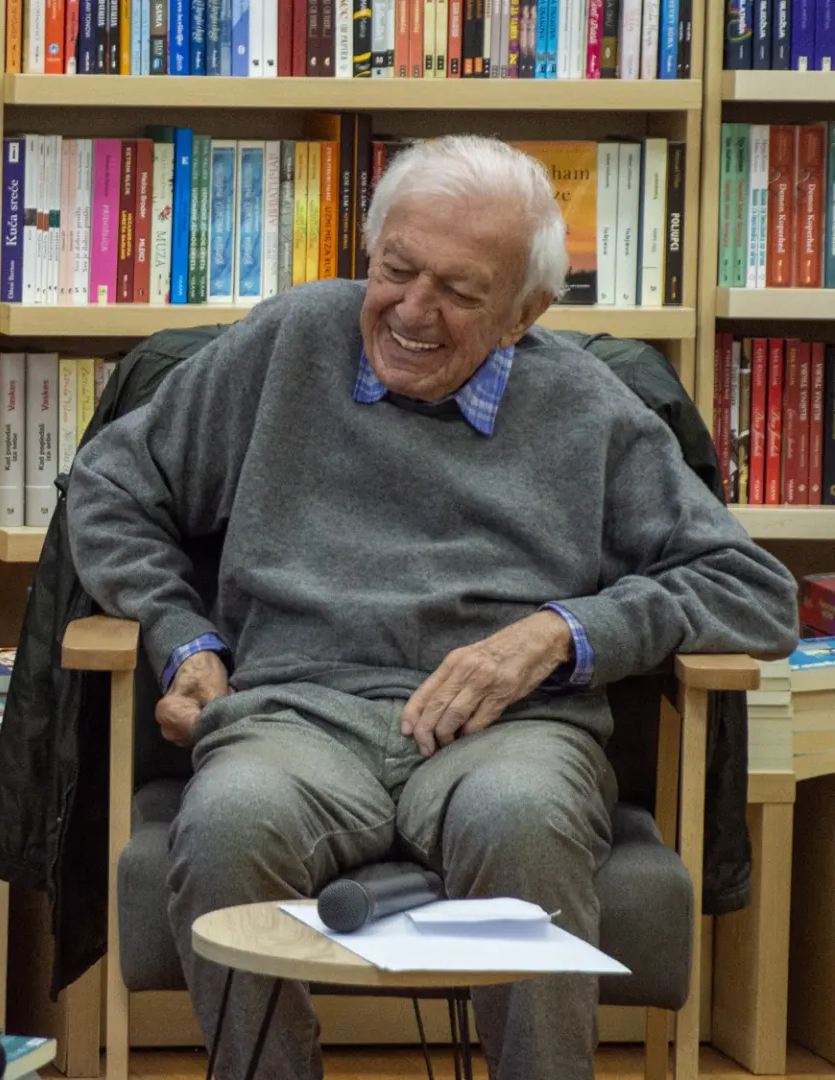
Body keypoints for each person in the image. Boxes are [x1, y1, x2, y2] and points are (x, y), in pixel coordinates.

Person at [66, 134, 799, 1080]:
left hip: (510, 729)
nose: (413, 311)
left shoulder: (591, 410)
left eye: (458, 290)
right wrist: (183, 638)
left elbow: (752, 588)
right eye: (396, 270)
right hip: (295, 713)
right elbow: (111, 486)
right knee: (229, 823)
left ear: (526, 312)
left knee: (523, 820)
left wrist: (559, 634)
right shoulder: (292, 343)